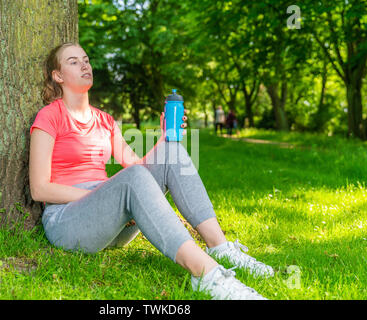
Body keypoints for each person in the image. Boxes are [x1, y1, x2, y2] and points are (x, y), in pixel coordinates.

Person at [29, 42, 274, 300]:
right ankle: (208, 275)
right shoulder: (49, 116)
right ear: (58, 76)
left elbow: (137, 168)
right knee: (131, 179)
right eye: (73, 61)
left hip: (114, 228)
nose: (84, 65)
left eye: (86, 59)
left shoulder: (104, 120)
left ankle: (221, 248)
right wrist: (106, 195)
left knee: (171, 150)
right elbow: (39, 188)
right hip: (69, 222)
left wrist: (162, 139)